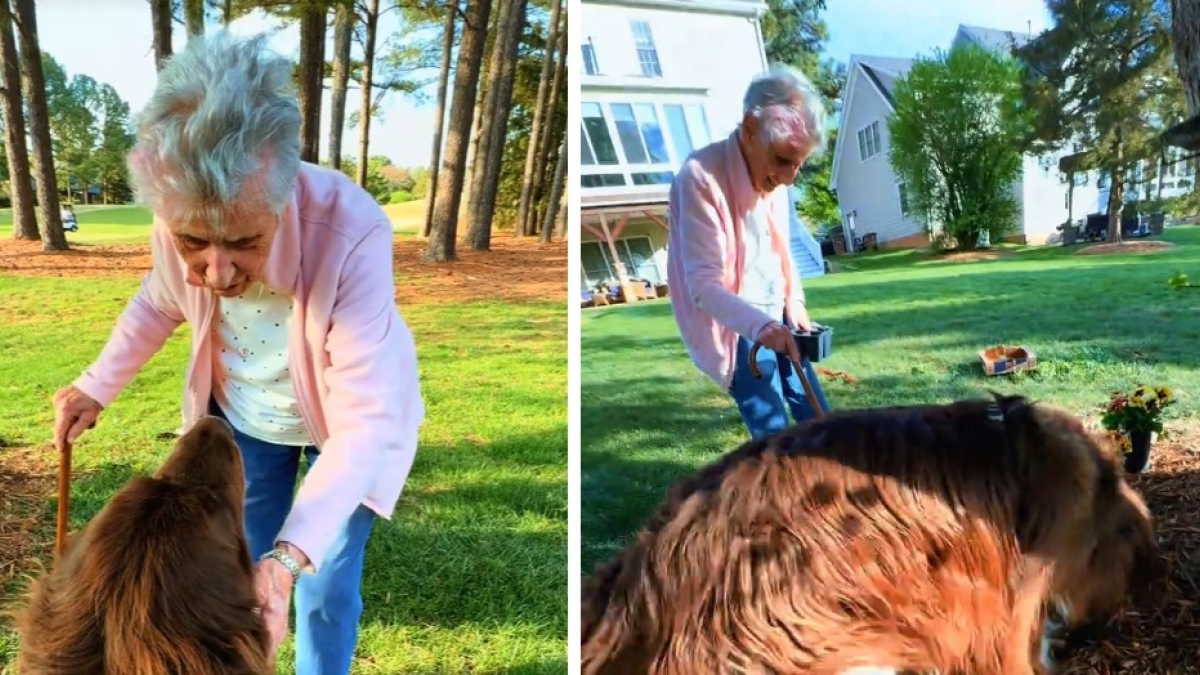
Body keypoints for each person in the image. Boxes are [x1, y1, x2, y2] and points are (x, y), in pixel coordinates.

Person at [50, 30, 425, 674]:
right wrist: (96, 385)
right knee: (243, 559)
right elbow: (159, 301)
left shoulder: (353, 228)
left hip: (345, 433)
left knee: (324, 577)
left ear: (284, 198)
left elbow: (367, 425)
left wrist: (288, 561)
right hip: (248, 418)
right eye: (194, 241)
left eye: (243, 242)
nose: (216, 273)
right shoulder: (177, 210)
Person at [666, 64, 831, 441]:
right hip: (738, 329)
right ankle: (783, 497)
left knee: (819, 421)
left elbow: (781, 252)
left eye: (800, 164)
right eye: (783, 161)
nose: (791, 178)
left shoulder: (778, 182)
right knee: (774, 436)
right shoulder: (700, 176)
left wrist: (796, 304)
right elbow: (703, 286)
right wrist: (761, 327)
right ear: (750, 129)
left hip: (782, 318)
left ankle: (831, 493)